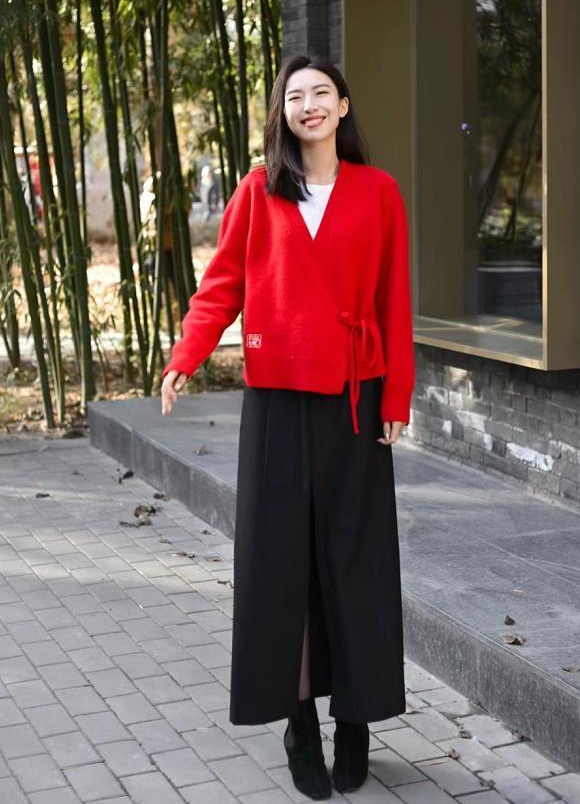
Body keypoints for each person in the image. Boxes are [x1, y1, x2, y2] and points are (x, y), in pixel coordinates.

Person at [160, 54, 415, 800]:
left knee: (357, 564)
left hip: (355, 400)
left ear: (343, 106)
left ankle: (356, 719)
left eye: (321, 93)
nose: (308, 105)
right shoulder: (258, 189)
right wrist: (186, 356)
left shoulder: (378, 191)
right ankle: (300, 722)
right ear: (282, 112)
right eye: (295, 95)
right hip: (275, 402)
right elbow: (222, 286)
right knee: (281, 566)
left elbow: (395, 296)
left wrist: (396, 396)